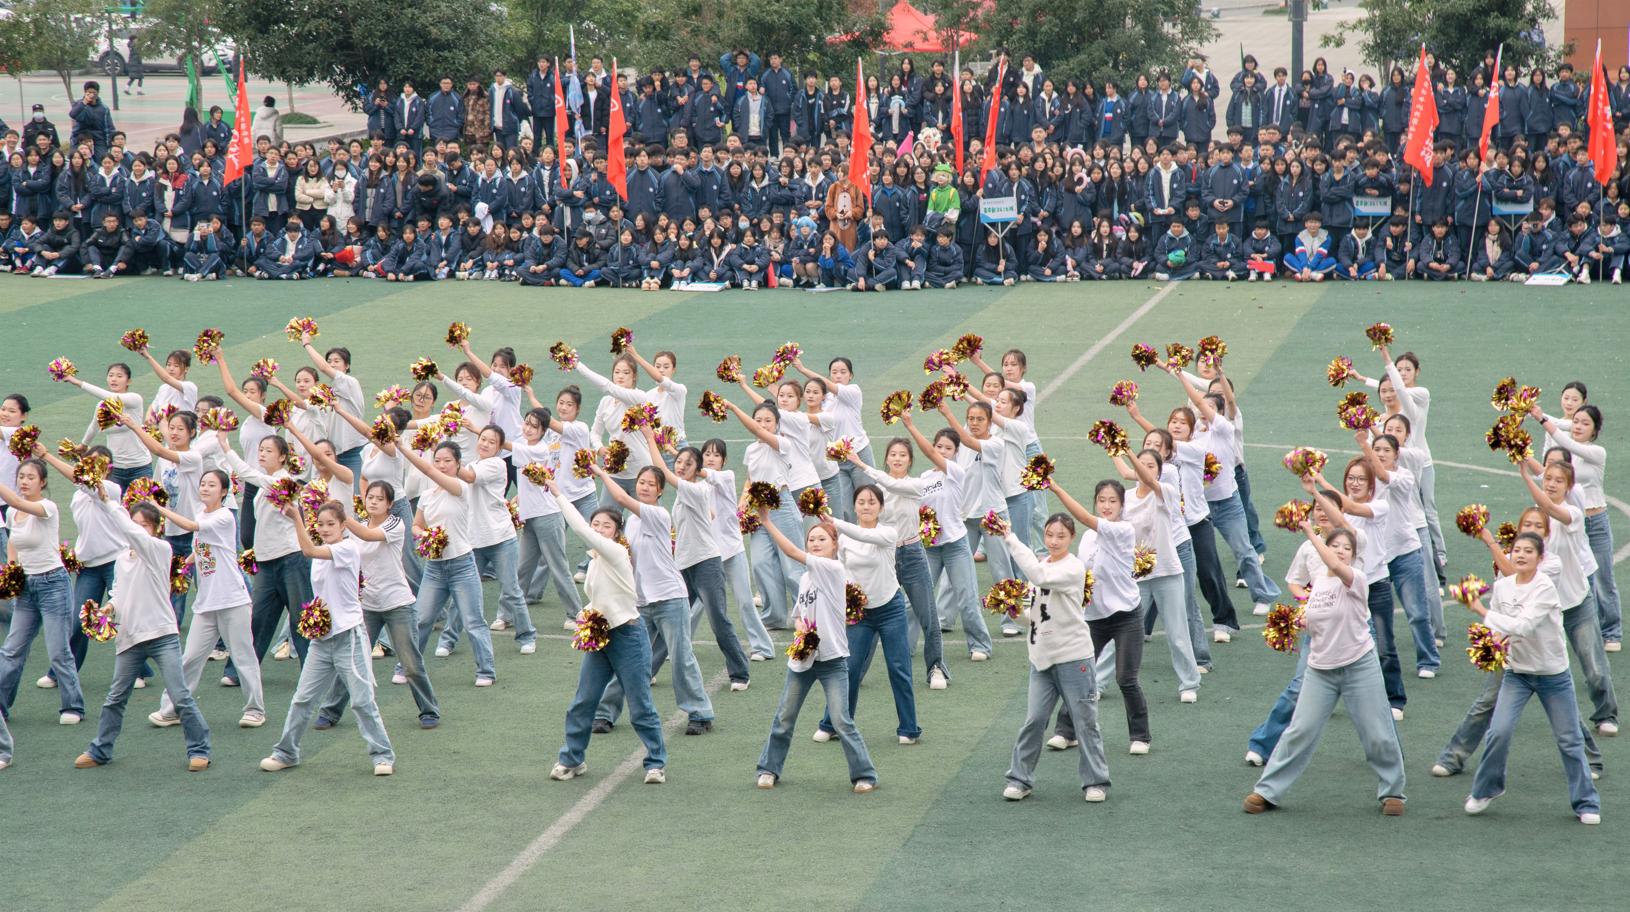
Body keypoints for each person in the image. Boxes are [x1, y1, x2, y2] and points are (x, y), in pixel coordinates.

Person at [1243, 523, 1406, 816]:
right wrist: (1295, 624)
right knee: (1299, 731)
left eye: (1347, 548)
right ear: (1327, 549)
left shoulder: (1356, 578)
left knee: (1378, 732)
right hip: (1320, 670)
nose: (1341, 552)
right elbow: (1314, 621)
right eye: (1335, 546)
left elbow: (1335, 565)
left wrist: (1310, 532)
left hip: (1359, 666)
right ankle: (1267, 791)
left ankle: (1393, 791)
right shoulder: (1318, 583)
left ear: (1354, 556)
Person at [1461, 531, 1601, 825]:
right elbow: (1501, 630)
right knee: (1498, 732)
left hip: (1553, 675)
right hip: (1517, 674)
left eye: (1528, 551)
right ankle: (1486, 789)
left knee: (1569, 739)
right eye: (1517, 550)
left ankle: (1586, 802)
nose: (1521, 555)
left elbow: (1523, 626)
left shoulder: (1545, 587)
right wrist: (1492, 644)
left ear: (1540, 558)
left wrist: (1480, 611)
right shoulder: (1502, 587)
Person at [261, 501, 396, 776]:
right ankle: (286, 753)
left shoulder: (347, 548)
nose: (324, 529)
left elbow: (308, 550)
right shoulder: (323, 556)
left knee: (362, 701)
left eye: (331, 524)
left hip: (349, 638)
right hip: (322, 642)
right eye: (320, 524)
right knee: (302, 699)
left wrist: (296, 517)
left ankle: (383, 756)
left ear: (344, 526)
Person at [548, 477, 667, 784]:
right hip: (601, 636)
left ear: (616, 532)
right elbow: (599, 597)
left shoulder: (616, 553)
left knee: (640, 705)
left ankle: (655, 763)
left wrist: (558, 493)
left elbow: (580, 529)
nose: (599, 529)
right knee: (583, 701)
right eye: (596, 524)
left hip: (628, 636)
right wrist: (586, 616)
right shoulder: (595, 560)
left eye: (606, 526)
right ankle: (572, 759)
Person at [753, 508, 877, 793]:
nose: (816, 543)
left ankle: (865, 775)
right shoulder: (807, 578)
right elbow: (799, 614)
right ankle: (768, 769)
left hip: (833, 660)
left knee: (841, 721)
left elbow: (791, 552)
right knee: (784, 717)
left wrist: (767, 521)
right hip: (803, 659)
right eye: (811, 540)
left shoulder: (833, 570)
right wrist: (802, 632)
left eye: (822, 539)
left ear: (835, 545)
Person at [589, 462, 716, 736]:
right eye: (641, 482)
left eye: (651, 484)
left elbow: (621, 498)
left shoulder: (658, 514)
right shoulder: (631, 521)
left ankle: (700, 713)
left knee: (681, 658)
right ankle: (604, 713)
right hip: (641, 604)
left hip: (670, 599)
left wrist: (601, 473)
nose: (644, 487)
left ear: (660, 491)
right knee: (628, 659)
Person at [992, 510, 1111, 802]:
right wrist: (1013, 611)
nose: (1054, 541)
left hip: (1074, 659)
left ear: (1071, 538)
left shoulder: (1073, 568)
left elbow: (1038, 575)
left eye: (1061, 536)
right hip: (1041, 660)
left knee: (1085, 723)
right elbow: (1034, 615)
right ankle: (1020, 779)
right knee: (1034, 721)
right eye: (1049, 535)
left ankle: (1096, 782)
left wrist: (1009, 538)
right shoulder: (1043, 564)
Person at [145, 469, 266, 729]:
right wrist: (182, 567)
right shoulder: (202, 514)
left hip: (232, 600)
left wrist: (159, 509)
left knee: (243, 656)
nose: (205, 488)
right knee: (189, 659)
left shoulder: (224, 516)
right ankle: (172, 709)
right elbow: (201, 549)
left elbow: (190, 528)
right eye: (203, 484)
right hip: (206, 604)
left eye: (212, 485)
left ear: (224, 492)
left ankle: (255, 710)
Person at [314, 481, 440, 731]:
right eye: (370, 497)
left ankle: (429, 710)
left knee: (411, 663)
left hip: (398, 604)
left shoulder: (395, 524)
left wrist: (341, 516)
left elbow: (368, 535)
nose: (373, 502)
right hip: (367, 606)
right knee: (351, 660)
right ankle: (330, 711)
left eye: (380, 499)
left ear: (390, 504)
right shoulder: (356, 525)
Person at [0, 459, 84, 725]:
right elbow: (13, 540)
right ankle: (1, 708)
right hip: (26, 588)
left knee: (58, 651)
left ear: (43, 482)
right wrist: (11, 568)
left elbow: (17, 501)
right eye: (21, 476)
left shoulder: (47, 507)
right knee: (12, 650)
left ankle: (73, 706)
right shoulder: (13, 513)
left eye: (31, 477)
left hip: (53, 585)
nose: (24, 481)